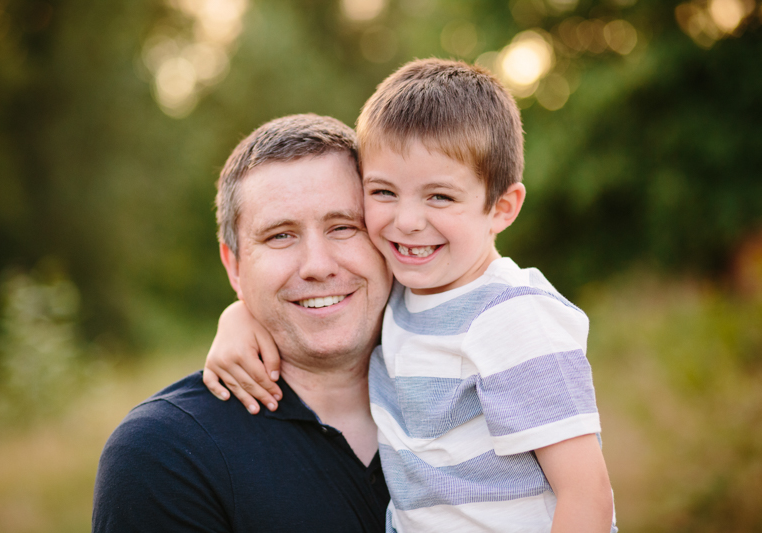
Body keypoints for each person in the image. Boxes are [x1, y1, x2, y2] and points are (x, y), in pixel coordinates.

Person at [204, 59, 617, 532]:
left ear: (501, 207)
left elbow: (588, 494)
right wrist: (238, 317)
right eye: (383, 192)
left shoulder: (513, 317)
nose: (407, 221)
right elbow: (319, 304)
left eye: (439, 197)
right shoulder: (411, 292)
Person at [92, 114, 393, 532]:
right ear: (233, 266)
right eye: (280, 236)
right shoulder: (166, 455)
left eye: (344, 227)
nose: (317, 266)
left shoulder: (479, 390)